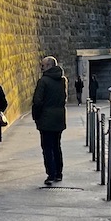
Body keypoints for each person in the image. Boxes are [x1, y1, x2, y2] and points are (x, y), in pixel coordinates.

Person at [31, 54, 67, 187]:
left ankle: (51, 174)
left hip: (46, 118)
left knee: (47, 147)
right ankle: (58, 172)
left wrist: (36, 116)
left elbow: (37, 101)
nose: (41, 67)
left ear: (49, 66)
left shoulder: (44, 81)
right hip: (59, 117)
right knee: (57, 145)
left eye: (43, 65)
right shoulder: (62, 80)